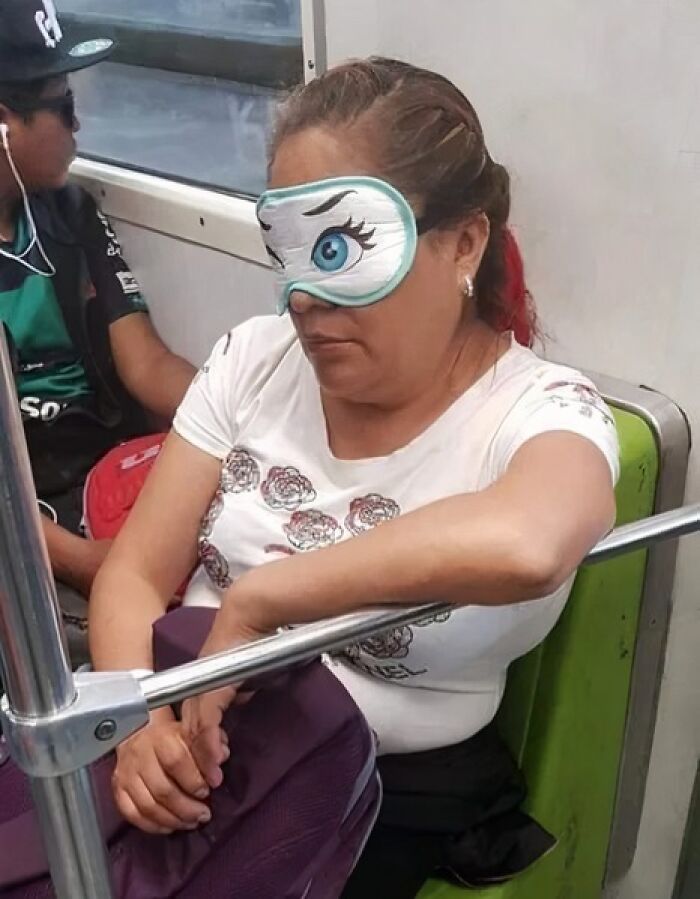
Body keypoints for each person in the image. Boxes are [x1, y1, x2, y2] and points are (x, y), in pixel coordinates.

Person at [90, 58, 619, 896]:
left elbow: (532, 540)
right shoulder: (251, 360)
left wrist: (264, 600)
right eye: (287, 253)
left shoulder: (541, 411)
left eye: (337, 248)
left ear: (466, 243)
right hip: (177, 721)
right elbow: (135, 575)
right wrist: (136, 726)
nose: (303, 297)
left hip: (368, 784)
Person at [0, 1, 195, 626]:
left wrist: (245, 410)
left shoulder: (69, 215)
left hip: (104, 477)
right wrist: (90, 563)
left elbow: (146, 364)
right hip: (23, 518)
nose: (78, 126)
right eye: (62, 107)